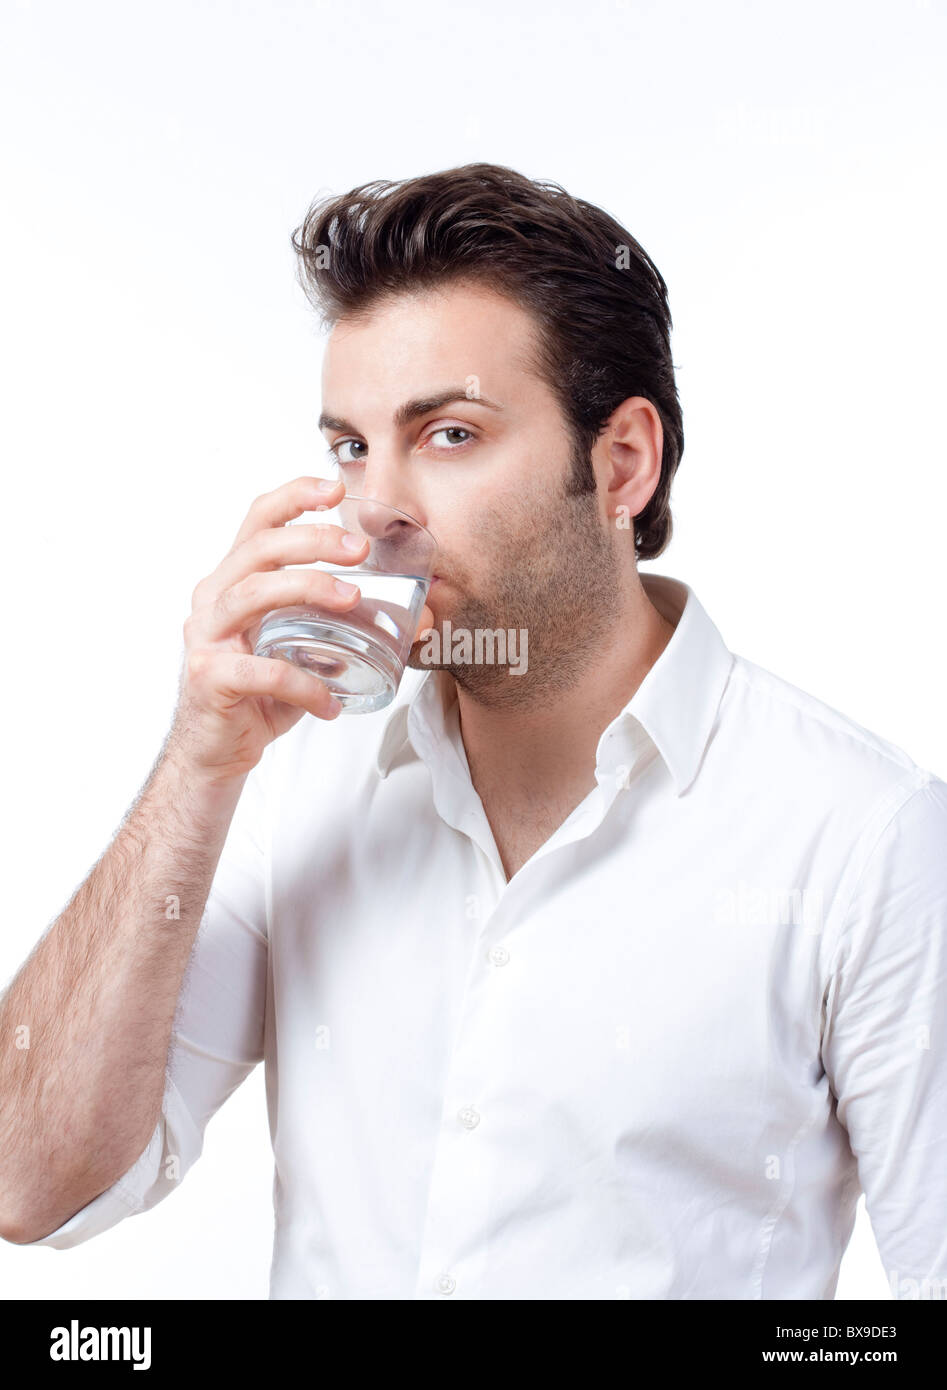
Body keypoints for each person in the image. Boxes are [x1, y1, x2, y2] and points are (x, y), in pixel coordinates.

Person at [1, 162, 944, 1300]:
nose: (374, 505)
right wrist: (196, 763)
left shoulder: (860, 836)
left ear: (620, 462)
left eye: (446, 434)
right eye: (351, 446)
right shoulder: (293, 779)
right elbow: (29, 1183)